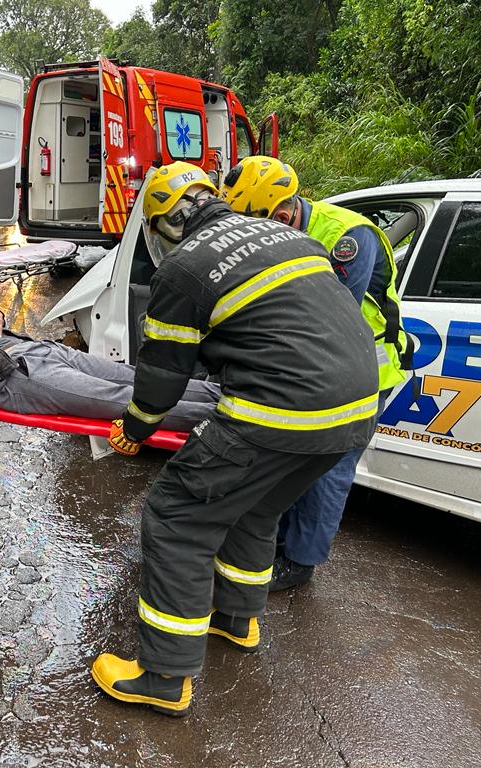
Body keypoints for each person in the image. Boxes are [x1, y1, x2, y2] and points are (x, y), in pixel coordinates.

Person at [90, 162, 379, 716]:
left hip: (280, 413)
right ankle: (236, 619)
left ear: (165, 224)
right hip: (356, 414)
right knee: (256, 507)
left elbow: (162, 379)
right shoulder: (291, 237)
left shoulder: (183, 269)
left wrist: (132, 431)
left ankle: (163, 676)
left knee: (177, 518)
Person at [222, 156, 408, 591]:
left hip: (361, 372)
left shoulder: (347, 238)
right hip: (317, 368)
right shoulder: (292, 230)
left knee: (328, 468)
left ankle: (301, 561)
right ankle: (280, 542)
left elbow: (330, 317)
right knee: (293, 460)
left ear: (283, 214)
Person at [0, 304, 219, 431]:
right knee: (120, 398)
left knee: (136, 377)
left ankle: (226, 393)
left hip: (43, 349)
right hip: (18, 377)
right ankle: (230, 418)